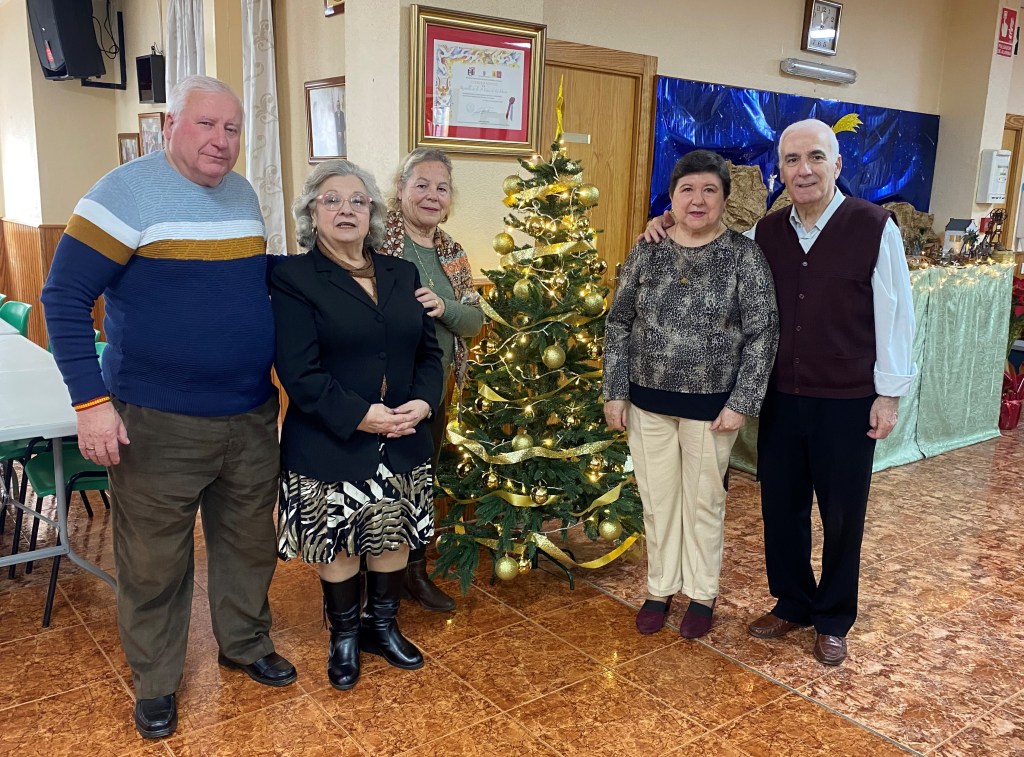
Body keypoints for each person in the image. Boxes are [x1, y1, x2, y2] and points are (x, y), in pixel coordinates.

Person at [41, 75, 296, 740]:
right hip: (156, 420)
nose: (221, 140)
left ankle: (244, 643)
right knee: (155, 561)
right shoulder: (121, 193)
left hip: (249, 413)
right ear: (168, 126)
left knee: (249, 544)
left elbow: (246, 281)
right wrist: (91, 402)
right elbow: (63, 298)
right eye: (206, 124)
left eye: (232, 128)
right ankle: (156, 680)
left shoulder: (242, 193)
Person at [643, 120, 916, 665]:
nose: (803, 169)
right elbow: (708, 233)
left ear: (837, 164)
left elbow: (897, 316)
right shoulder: (765, 233)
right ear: (781, 171)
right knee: (782, 507)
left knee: (842, 513)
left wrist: (888, 395)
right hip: (781, 397)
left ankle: (833, 617)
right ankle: (792, 602)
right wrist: (666, 220)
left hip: (847, 399)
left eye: (815, 157)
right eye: (792, 160)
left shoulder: (873, 226)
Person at [272, 159, 444, 691]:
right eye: (332, 200)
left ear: (372, 212)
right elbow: (298, 371)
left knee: (392, 532)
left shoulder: (401, 273)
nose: (346, 209)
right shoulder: (294, 277)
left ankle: (381, 627)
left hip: (402, 435)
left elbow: (428, 354)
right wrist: (360, 415)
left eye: (357, 200)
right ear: (311, 213)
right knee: (340, 543)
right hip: (332, 437)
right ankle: (344, 635)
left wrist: (424, 403)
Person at [605, 149, 779, 640]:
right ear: (672, 198)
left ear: (724, 199)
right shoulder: (647, 250)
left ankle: (702, 593)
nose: (697, 200)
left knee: (703, 503)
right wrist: (615, 391)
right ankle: (660, 588)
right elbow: (618, 323)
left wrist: (742, 402)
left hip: (712, 408)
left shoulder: (744, 256)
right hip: (647, 402)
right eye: (687, 190)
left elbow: (763, 332)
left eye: (709, 190)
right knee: (658, 501)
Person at [377, 147, 484, 612]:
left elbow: (475, 321)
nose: (431, 195)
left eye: (441, 188)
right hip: (383, 389)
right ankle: (375, 578)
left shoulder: (451, 251)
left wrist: (445, 308)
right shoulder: (376, 241)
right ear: (400, 189)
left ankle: (414, 572)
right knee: (381, 483)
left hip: (435, 389)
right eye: (421, 185)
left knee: (422, 479)